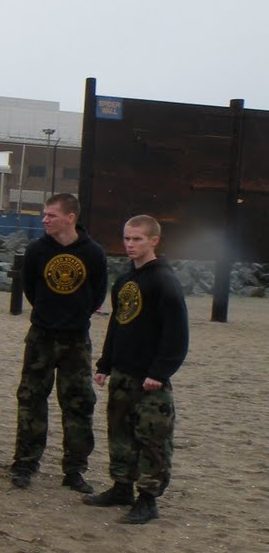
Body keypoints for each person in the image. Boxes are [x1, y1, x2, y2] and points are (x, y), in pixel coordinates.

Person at [86, 215, 189, 525]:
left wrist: (160, 372)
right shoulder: (125, 280)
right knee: (120, 433)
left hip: (150, 378)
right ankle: (121, 487)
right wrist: (105, 363)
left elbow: (177, 333)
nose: (130, 244)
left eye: (137, 239)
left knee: (152, 437)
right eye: (127, 238)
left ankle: (148, 499)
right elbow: (119, 323)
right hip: (123, 372)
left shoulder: (164, 281)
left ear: (154, 241)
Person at [9, 192, 108, 492]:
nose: (45, 220)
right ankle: (25, 463)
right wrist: (48, 314)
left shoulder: (93, 252)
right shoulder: (37, 250)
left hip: (76, 338)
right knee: (31, 400)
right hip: (41, 335)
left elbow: (98, 294)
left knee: (78, 403)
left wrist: (73, 315)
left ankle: (75, 469)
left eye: (51, 215)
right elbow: (30, 288)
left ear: (70, 217)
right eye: (44, 214)